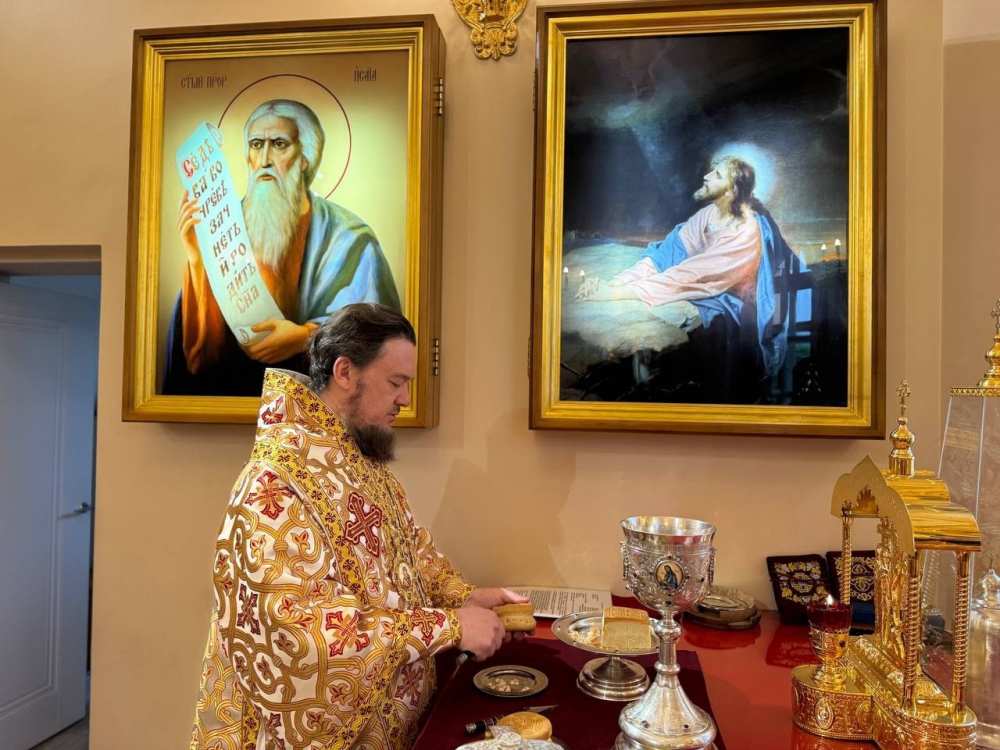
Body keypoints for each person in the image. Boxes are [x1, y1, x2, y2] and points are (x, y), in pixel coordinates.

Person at [190, 303, 528, 750]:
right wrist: (448, 627)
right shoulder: (273, 483)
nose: (404, 399)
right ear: (345, 372)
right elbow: (304, 637)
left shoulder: (360, 460)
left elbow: (409, 560)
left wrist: (463, 597)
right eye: (395, 382)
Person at [163, 99, 401, 397]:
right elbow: (199, 359)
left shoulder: (350, 239)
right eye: (256, 145)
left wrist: (305, 338)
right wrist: (199, 258)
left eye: (278, 144)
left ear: (305, 158)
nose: (264, 159)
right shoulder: (225, 228)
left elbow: (379, 336)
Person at [576, 156, 801, 381]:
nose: (706, 176)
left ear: (731, 191)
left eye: (717, 175)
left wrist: (615, 294)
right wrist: (613, 283)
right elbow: (664, 256)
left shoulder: (745, 231)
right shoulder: (709, 215)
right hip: (702, 283)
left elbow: (689, 276)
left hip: (742, 304)